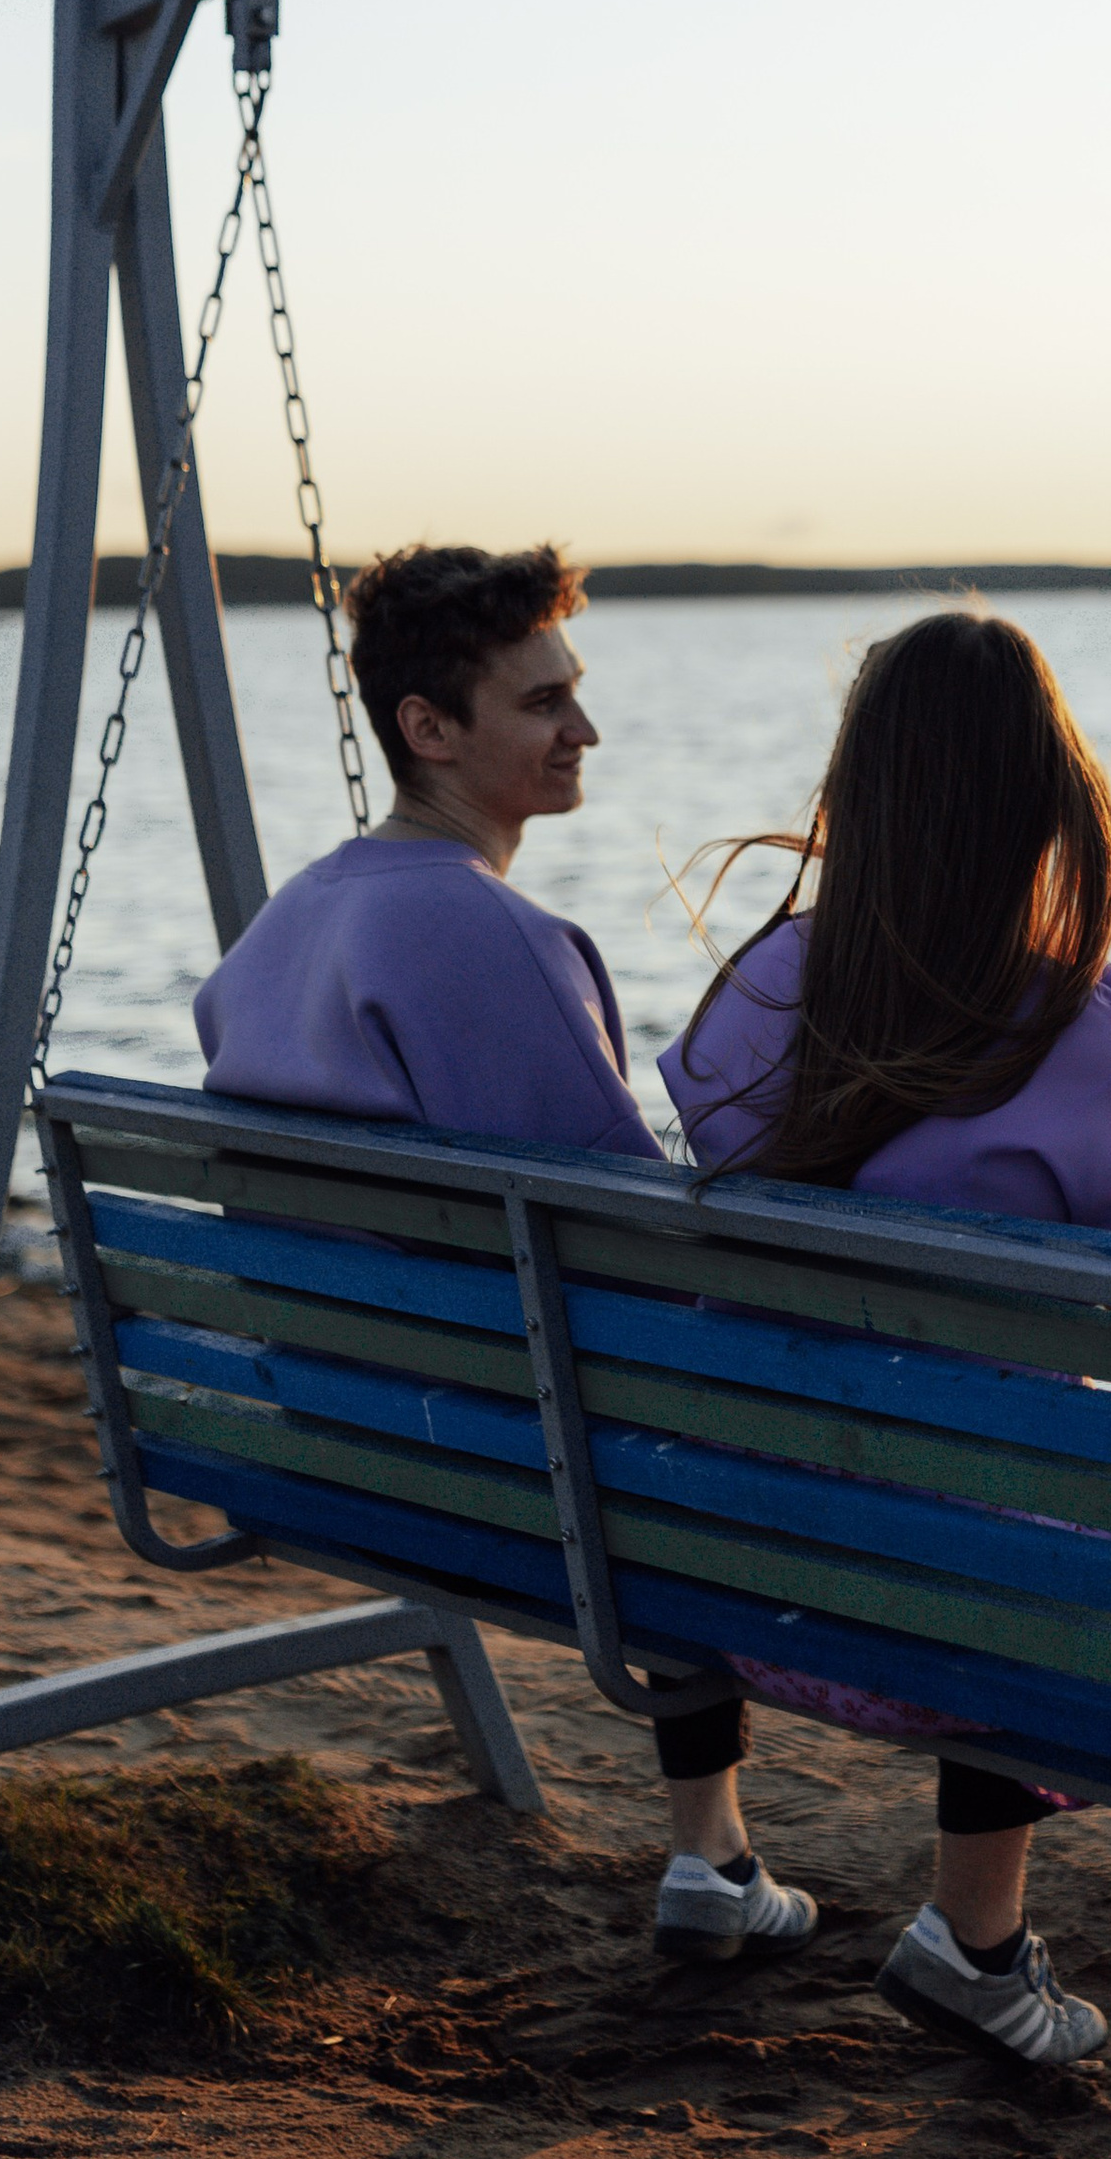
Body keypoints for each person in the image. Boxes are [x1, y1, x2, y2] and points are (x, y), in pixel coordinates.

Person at [660, 605, 1111, 2075]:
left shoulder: (748, 1000)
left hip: (762, 1580)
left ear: (855, 792)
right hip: (989, 1612)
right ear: (1049, 804)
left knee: (1044, 1498)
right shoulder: (1075, 1042)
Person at [193, 541, 815, 1967]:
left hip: (341, 1432)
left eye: (575, 694)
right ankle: (717, 1849)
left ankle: (713, 1854)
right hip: (497, 1464)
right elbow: (631, 1249)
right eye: (543, 702)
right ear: (429, 727)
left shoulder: (286, 926)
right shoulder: (494, 936)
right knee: (718, 1393)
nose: (584, 730)